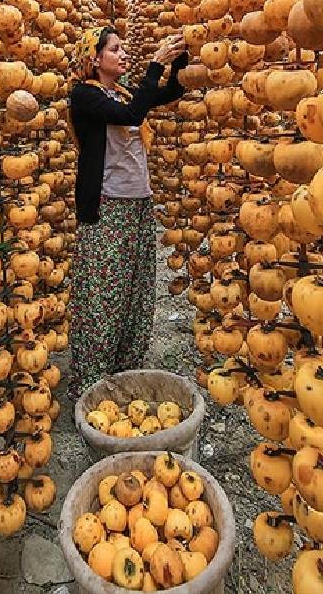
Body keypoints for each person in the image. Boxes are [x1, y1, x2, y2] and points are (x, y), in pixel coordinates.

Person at [66, 26, 189, 399]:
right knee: (105, 290)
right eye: (115, 50)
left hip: (137, 201)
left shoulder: (120, 92)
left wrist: (178, 59)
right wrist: (154, 64)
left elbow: (170, 92)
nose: (123, 55)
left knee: (135, 287)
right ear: (95, 58)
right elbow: (134, 113)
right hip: (107, 203)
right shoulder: (85, 95)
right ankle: (91, 379)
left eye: (123, 49)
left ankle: (123, 366)